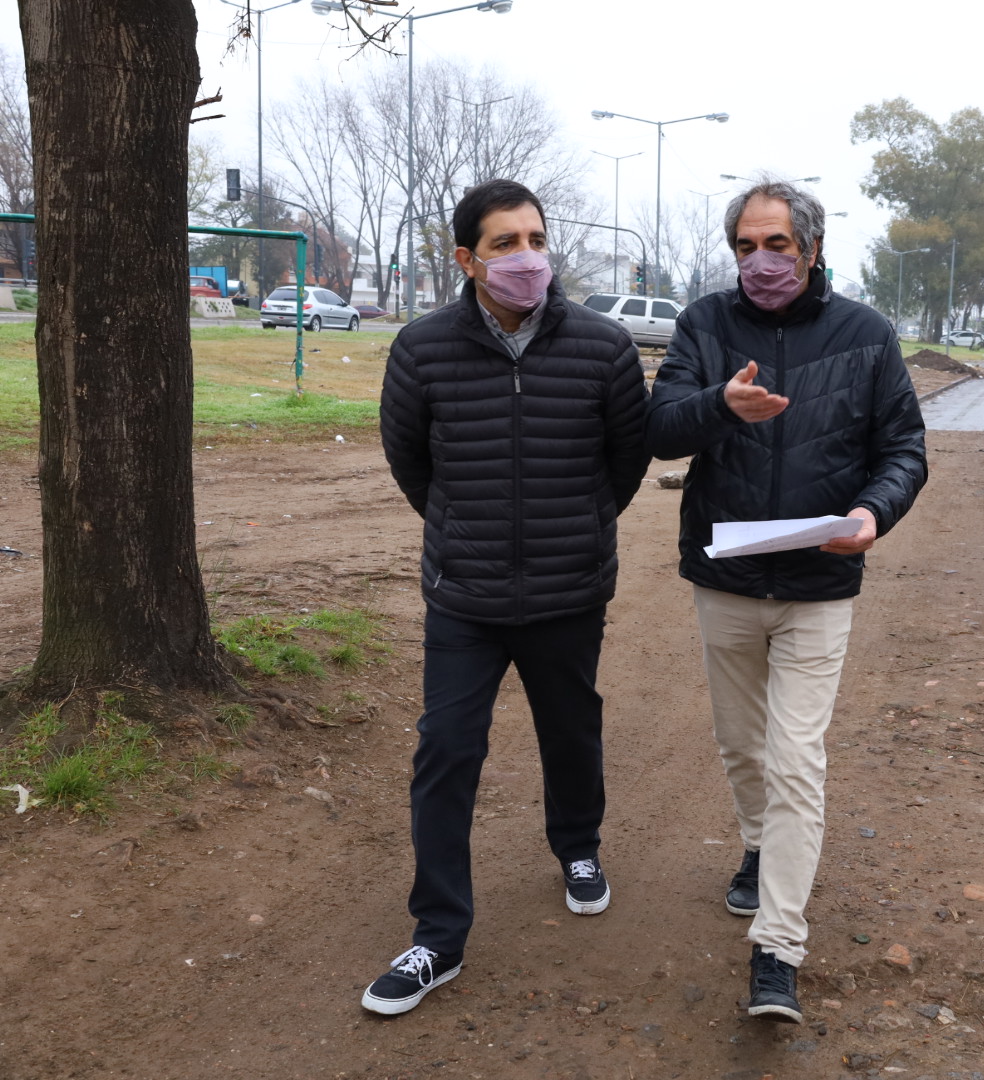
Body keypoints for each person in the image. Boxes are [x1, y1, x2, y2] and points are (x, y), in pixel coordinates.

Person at [645, 177, 927, 1024]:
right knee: (743, 746)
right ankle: (760, 845)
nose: (760, 261)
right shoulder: (704, 324)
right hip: (727, 579)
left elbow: (903, 448)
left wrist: (873, 514)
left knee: (797, 760)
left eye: (776, 245)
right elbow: (659, 428)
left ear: (811, 247)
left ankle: (778, 949)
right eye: (745, 247)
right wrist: (717, 407)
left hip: (819, 586)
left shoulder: (867, 335)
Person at [367, 178, 650, 1016]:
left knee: (571, 729)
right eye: (504, 243)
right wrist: (466, 533)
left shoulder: (604, 347)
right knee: (446, 750)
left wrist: (580, 526)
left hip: (569, 588)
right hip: (466, 597)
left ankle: (579, 848)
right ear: (468, 259)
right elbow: (410, 460)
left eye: (535, 238)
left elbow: (625, 461)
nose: (527, 257)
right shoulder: (422, 349)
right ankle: (437, 937)